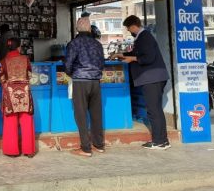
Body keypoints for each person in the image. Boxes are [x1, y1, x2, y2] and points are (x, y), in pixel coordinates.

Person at [114, 15, 170, 150]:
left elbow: (148, 58)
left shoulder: (144, 36)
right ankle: (163, 140)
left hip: (152, 78)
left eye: (129, 29)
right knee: (156, 110)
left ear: (133, 26)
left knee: (153, 111)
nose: (129, 31)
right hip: (155, 77)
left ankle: (159, 142)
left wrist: (131, 59)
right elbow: (139, 53)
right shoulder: (143, 37)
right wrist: (122, 55)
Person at [64, 16, 105, 157]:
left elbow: (67, 64)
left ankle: (86, 148)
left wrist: (71, 73)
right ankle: (99, 145)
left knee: (81, 115)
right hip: (95, 82)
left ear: (77, 28)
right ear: (89, 28)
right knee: (96, 114)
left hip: (80, 81)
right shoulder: (97, 44)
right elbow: (102, 63)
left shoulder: (74, 44)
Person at [0, 37, 36, 158]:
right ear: (19, 47)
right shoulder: (25, 59)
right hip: (24, 93)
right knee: (26, 120)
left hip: (10, 94)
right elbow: (30, 75)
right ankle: (29, 150)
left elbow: (2, 78)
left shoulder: (3, 61)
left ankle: (12, 151)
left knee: (10, 121)